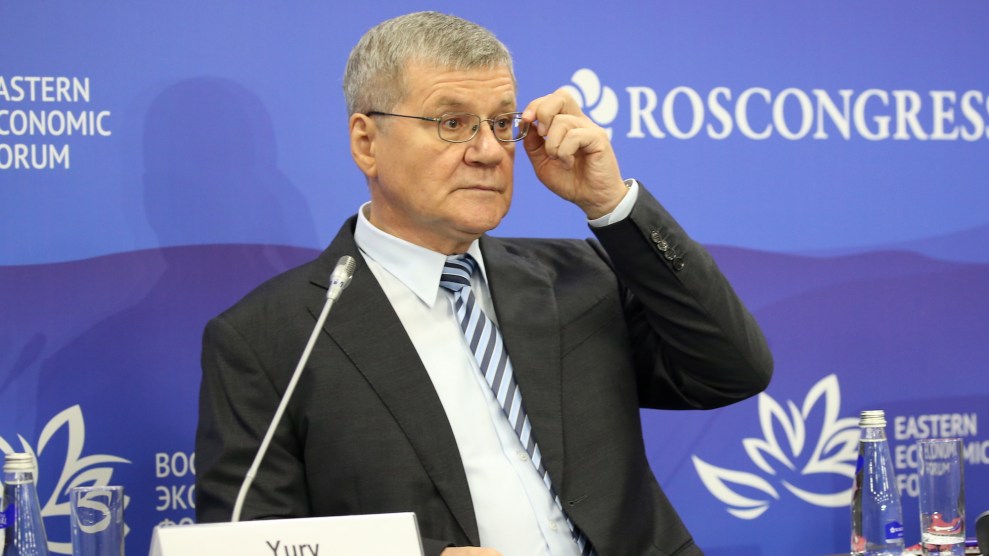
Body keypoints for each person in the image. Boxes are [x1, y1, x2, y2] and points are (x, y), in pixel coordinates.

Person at [195, 11, 773, 556]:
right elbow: (250, 539)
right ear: (366, 142)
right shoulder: (270, 338)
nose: (490, 152)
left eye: (501, 123)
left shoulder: (581, 276)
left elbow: (731, 370)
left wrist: (610, 205)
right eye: (452, 124)